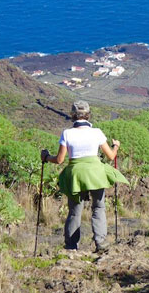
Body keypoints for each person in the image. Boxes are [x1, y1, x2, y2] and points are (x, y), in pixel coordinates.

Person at [41, 100, 128, 252]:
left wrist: (46, 157)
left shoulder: (67, 133)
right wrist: (116, 146)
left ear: (73, 115)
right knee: (99, 207)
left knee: (75, 211)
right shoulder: (97, 132)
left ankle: (71, 246)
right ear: (88, 115)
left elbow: (60, 160)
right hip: (96, 173)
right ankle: (100, 242)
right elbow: (110, 156)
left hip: (76, 175)